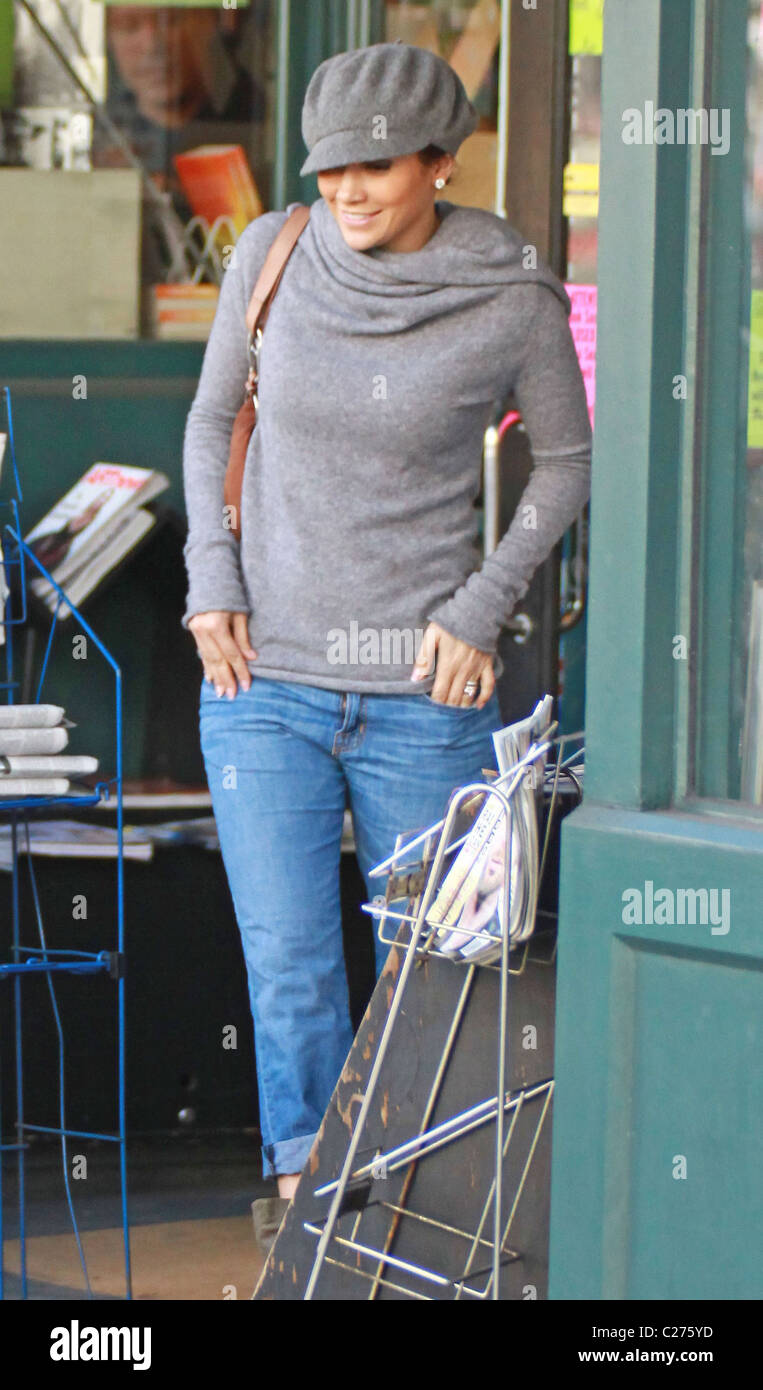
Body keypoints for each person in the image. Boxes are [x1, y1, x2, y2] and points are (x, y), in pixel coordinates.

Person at [181, 43, 592, 1239]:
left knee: (430, 982)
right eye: (329, 169)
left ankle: (422, 1212)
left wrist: (482, 607)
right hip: (261, 680)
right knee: (291, 968)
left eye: (374, 167)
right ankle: (313, 1208)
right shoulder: (272, 252)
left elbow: (564, 462)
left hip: (422, 688)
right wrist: (213, 577)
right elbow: (214, 418)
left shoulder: (508, 287)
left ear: (439, 164)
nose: (347, 191)